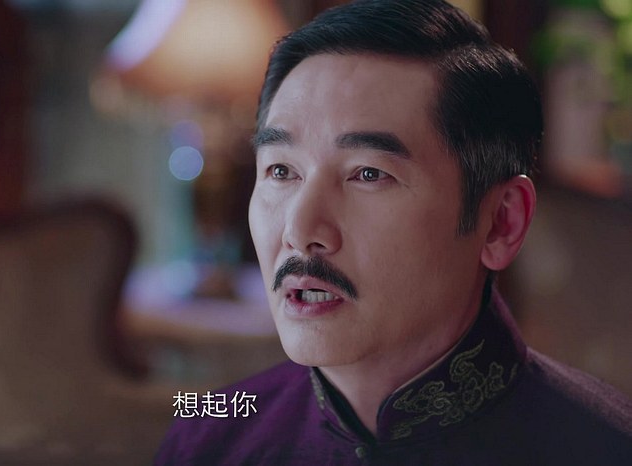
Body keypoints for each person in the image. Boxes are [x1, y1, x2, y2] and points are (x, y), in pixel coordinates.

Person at [155, 0, 632, 464]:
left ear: (500, 223)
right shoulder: (208, 435)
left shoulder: (606, 446)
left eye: (368, 174)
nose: (300, 232)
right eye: (281, 171)